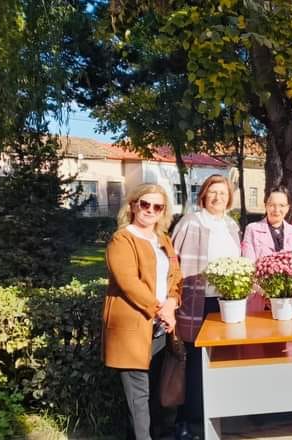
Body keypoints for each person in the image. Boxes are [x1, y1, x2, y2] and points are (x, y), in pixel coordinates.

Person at [102, 184, 182, 440]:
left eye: (157, 207)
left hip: (158, 329)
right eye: (145, 204)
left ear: (163, 212)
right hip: (132, 328)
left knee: (155, 393)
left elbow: (175, 277)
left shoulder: (163, 240)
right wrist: (160, 309)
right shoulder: (122, 239)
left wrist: (171, 302)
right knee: (139, 397)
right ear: (133, 205)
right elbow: (128, 283)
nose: (150, 210)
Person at [171, 174, 240, 440]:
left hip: (227, 303)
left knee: (221, 362)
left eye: (223, 193)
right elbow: (174, 265)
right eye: (213, 192)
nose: (217, 197)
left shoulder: (231, 225)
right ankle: (187, 421)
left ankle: (216, 415)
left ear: (229, 198)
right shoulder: (191, 222)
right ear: (203, 195)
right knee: (195, 364)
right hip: (197, 302)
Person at [242, 185, 292, 310]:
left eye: (282, 205)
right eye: (272, 205)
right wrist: (268, 293)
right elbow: (248, 266)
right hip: (260, 299)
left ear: (288, 208)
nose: (276, 209)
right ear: (266, 205)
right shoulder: (252, 229)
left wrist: (286, 291)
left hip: (289, 299)